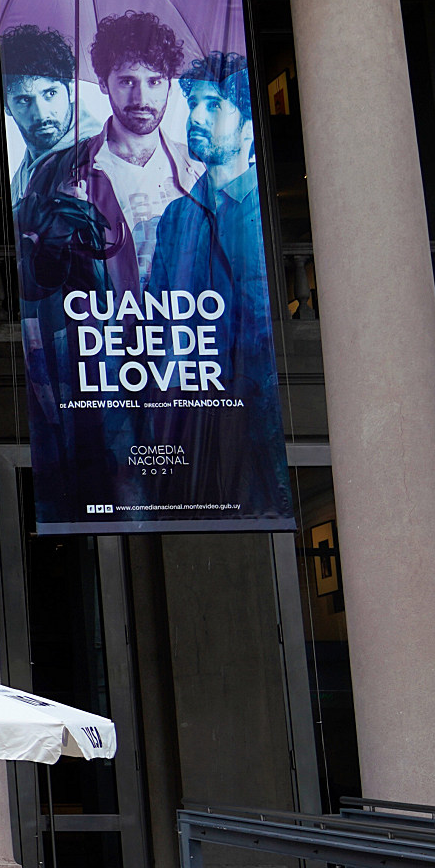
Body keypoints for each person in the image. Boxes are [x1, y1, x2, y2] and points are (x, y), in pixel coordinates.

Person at [144, 49, 289, 518]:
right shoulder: (177, 218)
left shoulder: (265, 214)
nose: (196, 118)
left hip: (259, 414)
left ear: (248, 127)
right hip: (189, 421)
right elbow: (156, 320)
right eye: (193, 106)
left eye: (213, 106)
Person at [17, 8, 196, 294]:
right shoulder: (57, 173)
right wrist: (56, 235)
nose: (141, 99)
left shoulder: (198, 170)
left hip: (187, 333)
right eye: (127, 81)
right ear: (103, 83)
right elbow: (32, 289)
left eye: (154, 81)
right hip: (106, 336)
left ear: (169, 85)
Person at [0, 23, 81, 207]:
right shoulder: (21, 176)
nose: (41, 114)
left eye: (50, 94)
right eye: (24, 100)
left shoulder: (97, 156)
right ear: (6, 106)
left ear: (70, 90)